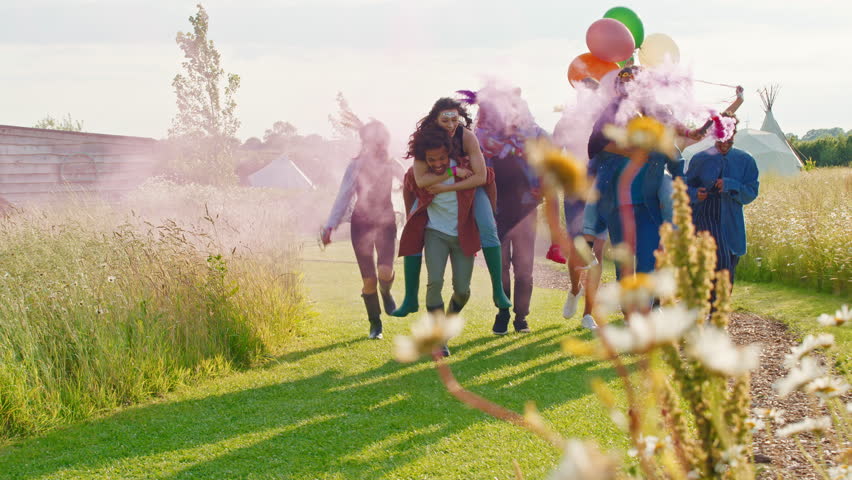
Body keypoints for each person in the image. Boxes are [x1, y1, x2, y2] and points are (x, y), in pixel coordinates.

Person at [392, 97, 511, 317]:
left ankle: (498, 291)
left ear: (459, 118)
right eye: (444, 119)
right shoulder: (425, 138)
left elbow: (481, 177)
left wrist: (448, 187)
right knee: (413, 230)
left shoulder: (466, 136)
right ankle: (410, 298)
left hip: (471, 187)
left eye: (454, 119)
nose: (450, 124)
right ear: (435, 119)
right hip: (431, 187)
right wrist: (450, 174)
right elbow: (419, 180)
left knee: (488, 227)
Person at [398, 126, 497, 355]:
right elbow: (411, 185)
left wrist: (490, 213)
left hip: (463, 234)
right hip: (435, 234)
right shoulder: (426, 176)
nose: (438, 163)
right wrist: (452, 172)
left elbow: (486, 178)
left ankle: (447, 324)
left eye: (442, 158)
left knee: (462, 290)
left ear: (449, 154)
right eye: (432, 160)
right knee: (434, 282)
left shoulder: (465, 170)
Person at [470, 85, 548, 334]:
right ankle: (503, 312)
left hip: (526, 208)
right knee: (499, 266)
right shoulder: (480, 137)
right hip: (494, 209)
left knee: (524, 269)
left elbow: (553, 160)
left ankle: (521, 317)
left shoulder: (535, 134)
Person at [321, 120, 400, 340]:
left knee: (384, 272)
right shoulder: (355, 166)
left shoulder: (392, 164)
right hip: (361, 224)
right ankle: (375, 324)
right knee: (369, 281)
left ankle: (386, 292)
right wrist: (331, 225)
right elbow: (343, 196)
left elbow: (411, 184)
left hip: (386, 223)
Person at [686, 113, 759, 286]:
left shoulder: (745, 160)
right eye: (720, 140)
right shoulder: (700, 159)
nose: (724, 144)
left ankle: (716, 306)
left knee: (729, 262)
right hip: (706, 216)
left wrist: (731, 185)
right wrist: (696, 193)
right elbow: (683, 187)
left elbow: (751, 192)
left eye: (729, 139)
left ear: (734, 133)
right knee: (721, 260)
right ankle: (715, 309)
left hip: (731, 219)